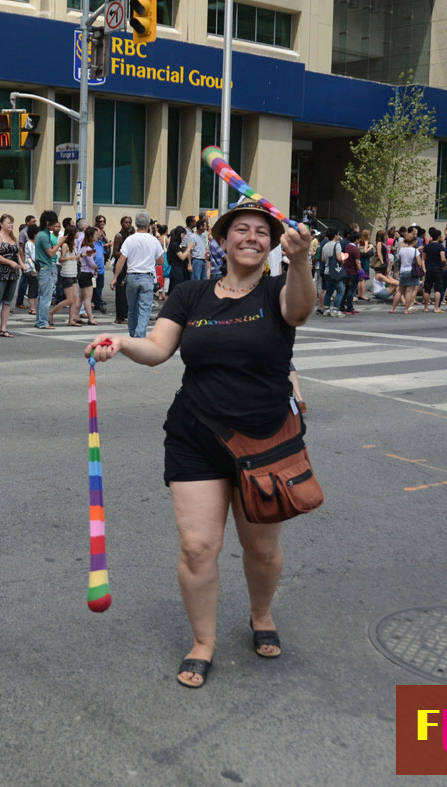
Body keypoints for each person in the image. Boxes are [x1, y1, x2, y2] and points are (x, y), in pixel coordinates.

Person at [85, 201, 315, 689]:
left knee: (262, 549)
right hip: (196, 435)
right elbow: (159, 348)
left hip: (264, 439)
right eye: (241, 230)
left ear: (272, 244)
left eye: (261, 232)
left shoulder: (278, 290)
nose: (251, 237)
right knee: (196, 547)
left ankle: (260, 613)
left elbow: (300, 309)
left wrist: (303, 261)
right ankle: (203, 641)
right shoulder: (191, 294)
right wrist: (125, 344)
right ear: (223, 239)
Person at [114, 211, 163, 338]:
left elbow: (121, 259)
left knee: (132, 308)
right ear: (148, 224)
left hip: (131, 276)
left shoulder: (130, 239)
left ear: (135, 224)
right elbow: (161, 261)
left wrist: (115, 277)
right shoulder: (153, 240)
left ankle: (132, 333)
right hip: (147, 276)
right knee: (144, 309)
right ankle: (139, 335)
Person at [0, 213, 23, 338]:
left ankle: (3, 328)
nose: (11, 225)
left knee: (7, 302)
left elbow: (17, 254)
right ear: (1, 224)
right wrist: (10, 262)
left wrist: (22, 264)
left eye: (12, 222)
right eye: (9, 222)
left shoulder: (13, 238)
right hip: (0, 273)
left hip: (13, 273)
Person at [33, 210, 64, 330]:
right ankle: (43, 322)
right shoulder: (44, 236)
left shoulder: (42, 234)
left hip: (42, 267)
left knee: (42, 296)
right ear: (47, 223)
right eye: (53, 223)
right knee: (46, 297)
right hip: (45, 267)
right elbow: (50, 253)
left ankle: (40, 320)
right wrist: (59, 243)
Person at [48, 226, 83, 327]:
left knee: (75, 298)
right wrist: (72, 258)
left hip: (73, 273)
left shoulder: (74, 244)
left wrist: (80, 257)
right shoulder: (65, 245)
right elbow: (61, 260)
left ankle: (71, 320)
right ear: (72, 233)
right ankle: (52, 312)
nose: (78, 234)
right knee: (70, 299)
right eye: (76, 232)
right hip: (66, 274)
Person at [77, 225, 100, 325]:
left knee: (81, 297)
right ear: (90, 236)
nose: (97, 236)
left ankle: (75, 315)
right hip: (87, 273)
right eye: (95, 234)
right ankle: (90, 318)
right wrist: (96, 268)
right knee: (87, 298)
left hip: (83, 273)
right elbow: (91, 263)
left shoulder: (84, 246)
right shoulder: (88, 248)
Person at [421, 228, 447, 313]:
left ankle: (426, 307)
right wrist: (445, 264)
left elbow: (424, 259)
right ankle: (436, 307)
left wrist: (424, 268)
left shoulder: (427, 246)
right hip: (438, 268)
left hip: (429, 268)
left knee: (427, 288)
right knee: (437, 289)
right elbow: (443, 259)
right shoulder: (440, 247)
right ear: (438, 237)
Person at [167, 226, 191, 293]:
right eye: (183, 234)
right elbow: (182, 257)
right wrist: (188, 248)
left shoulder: (176, 244)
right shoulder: (174, 244)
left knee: (173, 288)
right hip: (176, 269)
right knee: (176, 288)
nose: (183, 237)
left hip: (178, 268)